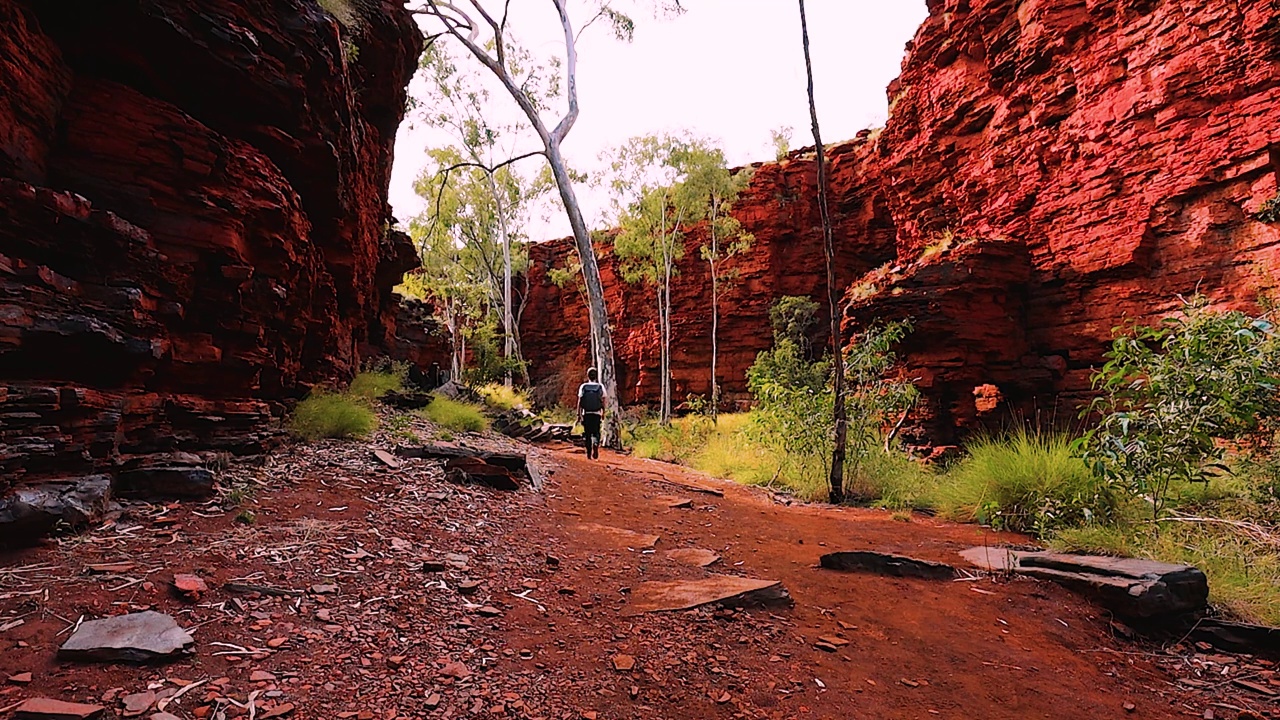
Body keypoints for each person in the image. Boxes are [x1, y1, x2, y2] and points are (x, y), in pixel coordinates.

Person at [577, 367, 606, 460]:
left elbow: (580, 401)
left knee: (588, 434)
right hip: (597, 413)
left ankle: (589, 454)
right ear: (596, 376)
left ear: (588, 376)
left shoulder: (583, 386)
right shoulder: (600, 386)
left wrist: (579, 414)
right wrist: (603, 412)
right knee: (596, 432)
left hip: (587, 413)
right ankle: (596, 444)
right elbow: (604, 400)